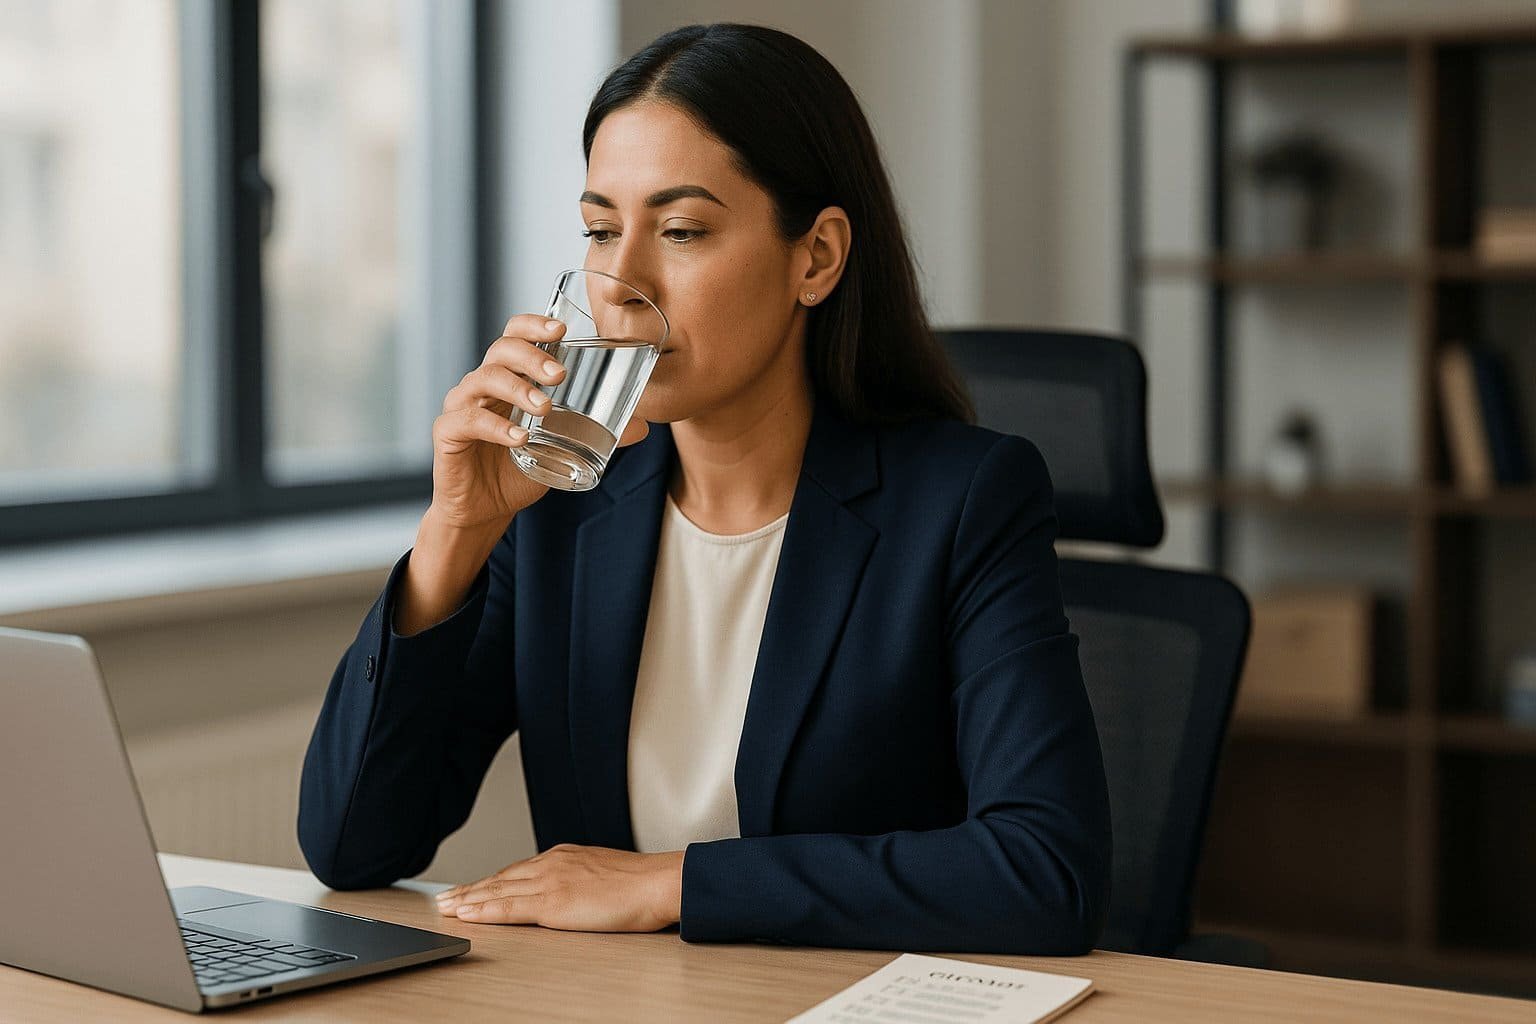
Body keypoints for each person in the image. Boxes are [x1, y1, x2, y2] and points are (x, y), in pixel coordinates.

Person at [298, 22, 1110, 956]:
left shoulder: (964, 501)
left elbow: (1047, 871)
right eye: (602, 230)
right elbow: (353, 844)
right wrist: (454, 534)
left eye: (681, 231)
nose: (621, 283)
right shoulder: (558, 503)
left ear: (816, 259)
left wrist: (670, 883)